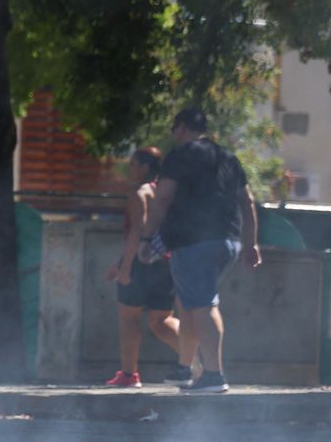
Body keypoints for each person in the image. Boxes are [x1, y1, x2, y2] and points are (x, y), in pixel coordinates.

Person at [139, 108, 260, 394]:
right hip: (228, 241)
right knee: (189, 301)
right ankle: (184, 368)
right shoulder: (227, 157)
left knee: (204, 305)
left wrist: (147, 238)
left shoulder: (181, 155)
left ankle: (214, 375)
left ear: (181, 128)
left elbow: (163, 197)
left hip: (194, 242)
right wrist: (251, 242)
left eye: (174, 129)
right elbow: (248, 202)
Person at [104, 147, 181, 387]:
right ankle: (196, 360)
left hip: (141, 261)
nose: (130, 168)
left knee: (128, 317)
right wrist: (119, 263)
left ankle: (129, 375)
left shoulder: (139, 193)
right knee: (161, 320)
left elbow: (138, 230)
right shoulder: (166, 192)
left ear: (145, 167)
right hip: (167, 261)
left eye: (134, 164)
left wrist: (126, 267)